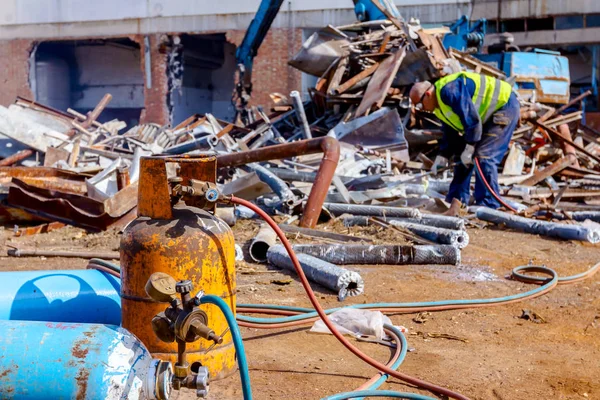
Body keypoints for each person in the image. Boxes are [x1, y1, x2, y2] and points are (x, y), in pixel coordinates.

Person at [409, 71, 520, 209]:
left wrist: (470, 147)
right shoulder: (438, 106)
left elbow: (472, 122)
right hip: (484, 117)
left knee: (483, 157)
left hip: (504, 105)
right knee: (460, 159)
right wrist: (443, 158)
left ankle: (488, 205)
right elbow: (451, 134)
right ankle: (456, 200)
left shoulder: (449, 91)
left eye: (420, 105)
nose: (422, 110)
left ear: (427, 94)